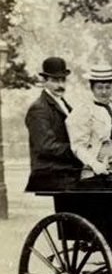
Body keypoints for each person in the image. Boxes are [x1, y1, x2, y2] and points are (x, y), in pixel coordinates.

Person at [24, 57, 83, 190]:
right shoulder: (39, 109)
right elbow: (46, 146)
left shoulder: (64, 104)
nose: (60, 85)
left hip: (66, 170)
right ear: (45, 81)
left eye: (63, 80)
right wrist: (79, 150)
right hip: (51, 172)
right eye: (55, 80)